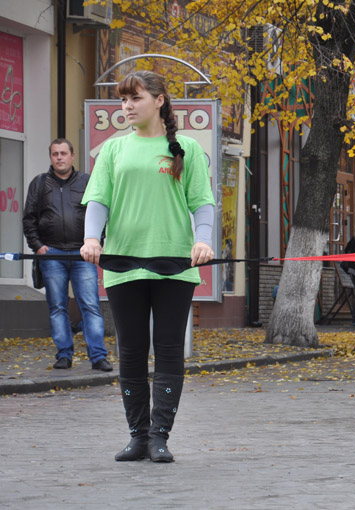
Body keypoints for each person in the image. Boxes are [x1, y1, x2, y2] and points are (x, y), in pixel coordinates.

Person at [80, 70, 215, 463]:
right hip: (123, 263)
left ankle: (160, 437)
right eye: (123, 99)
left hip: (174, 263)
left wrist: (203, 239)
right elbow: (99, 200)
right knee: (131, 351)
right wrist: (92, 238)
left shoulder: (186, 148)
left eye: (135, 98)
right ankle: (138, 436)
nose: (127, 106)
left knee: (169, 349)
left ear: (159, 100)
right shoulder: (113, 149)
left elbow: (202, 203)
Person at [22, 138, 111, 372]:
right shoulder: (39, 183)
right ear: (51, 157)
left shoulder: (87, 182)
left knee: (90, 305)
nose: (59, 158)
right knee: (57, 307)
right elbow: (29, 218)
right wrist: (37, 246)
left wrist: (96, 242)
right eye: (55, 154)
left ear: (72, 156)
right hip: (51, 254)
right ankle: (64, 355)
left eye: (63, 153)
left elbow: (100, 213)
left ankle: (98, 357)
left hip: (82, 254)